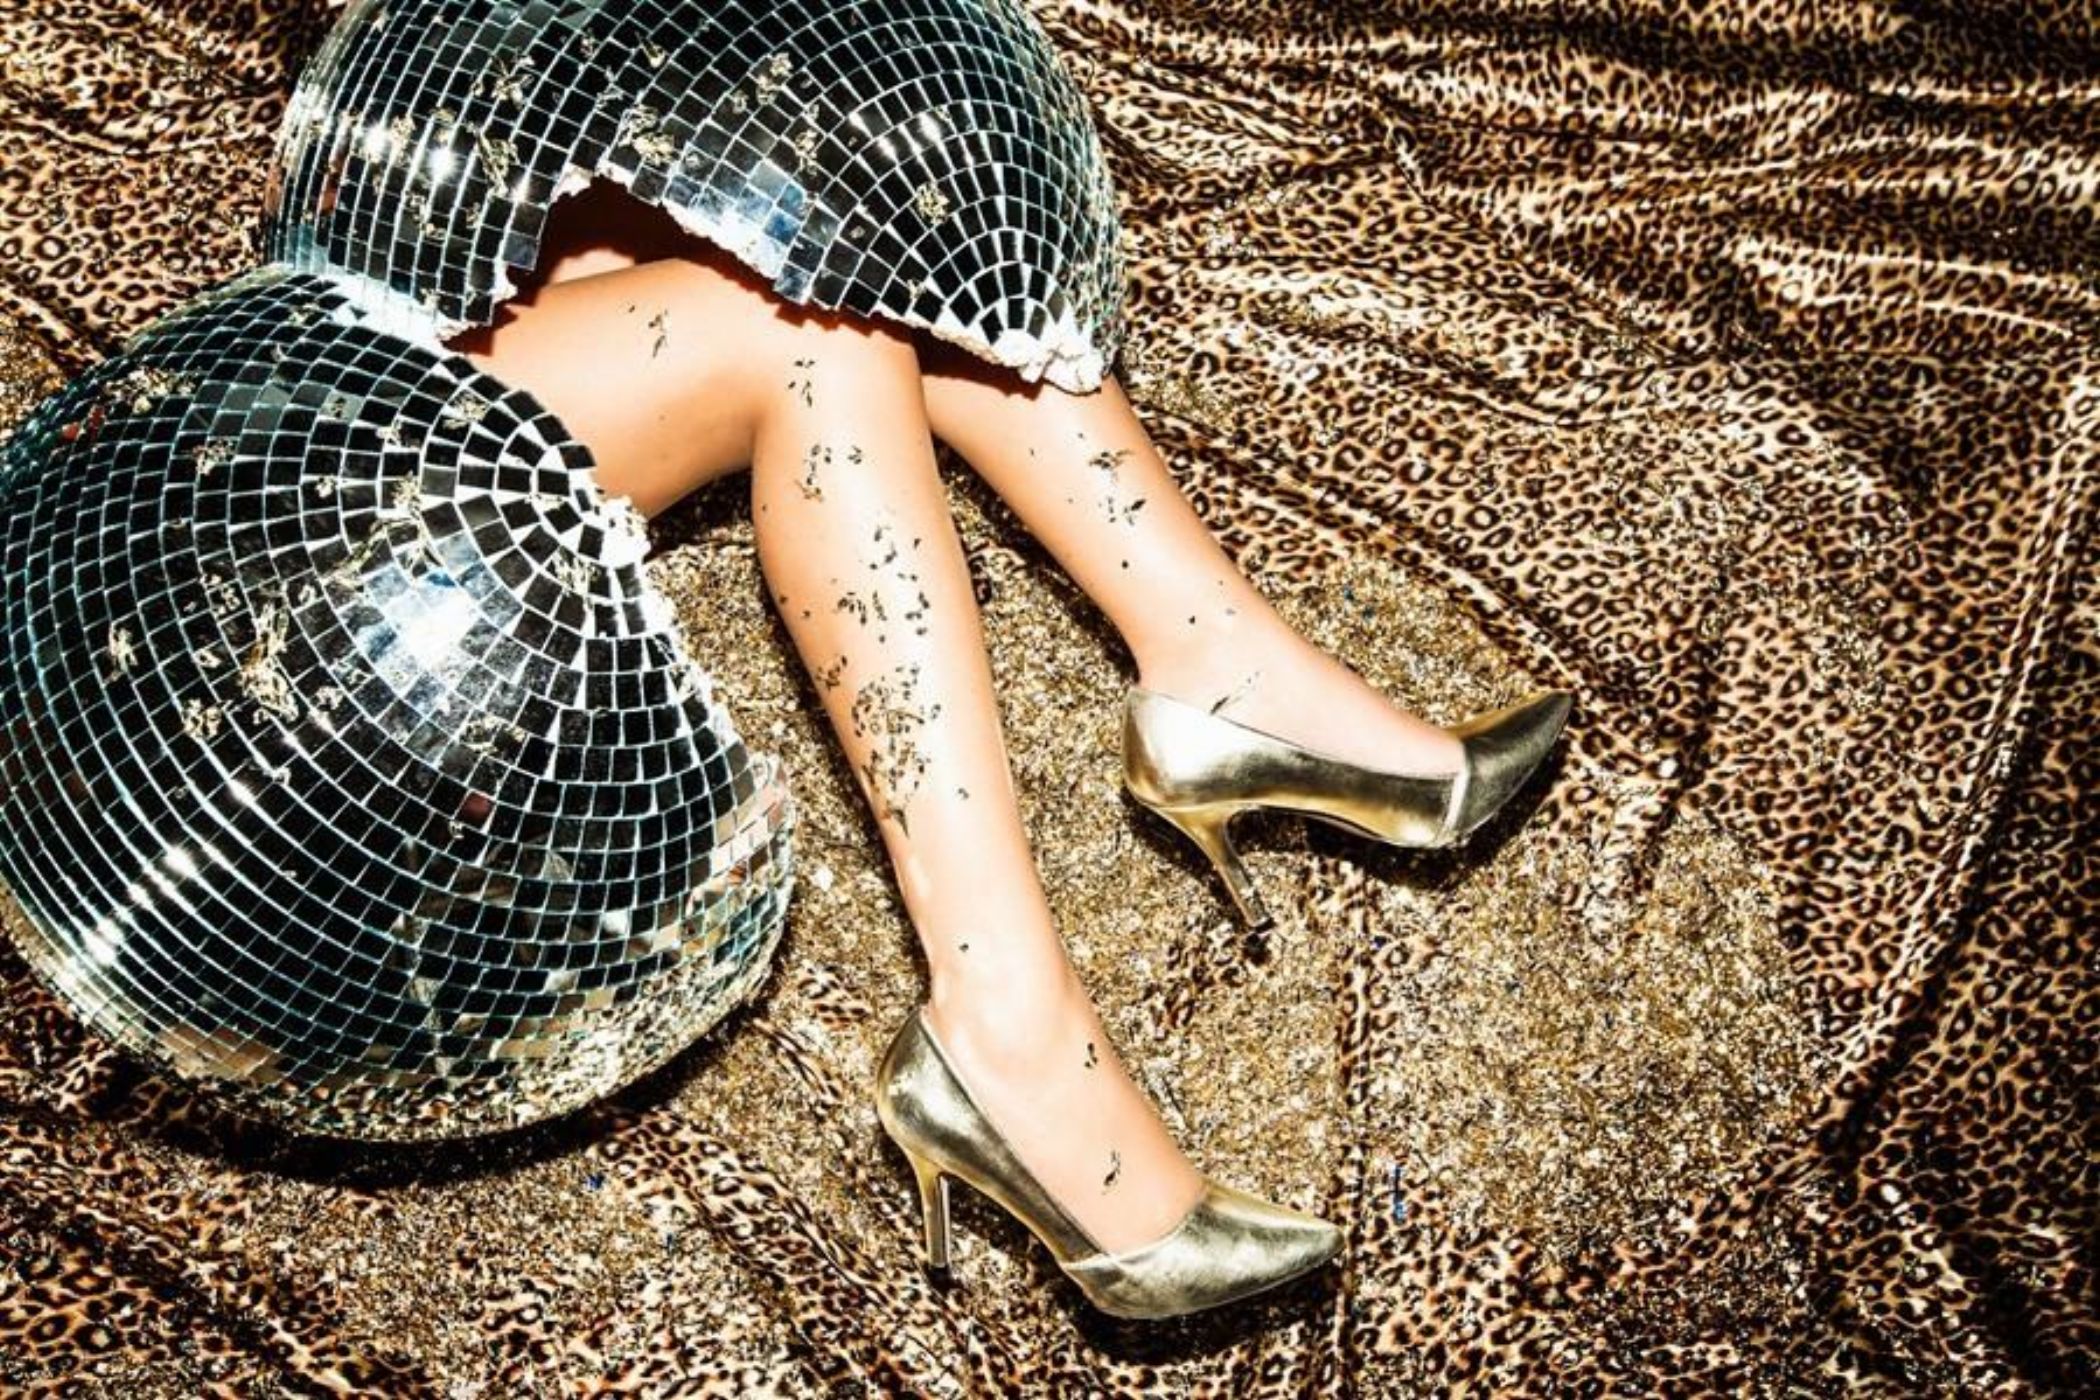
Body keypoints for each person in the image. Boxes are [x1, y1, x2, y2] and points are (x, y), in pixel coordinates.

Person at [448, 181, 1572, 1318]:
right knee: (809, 335)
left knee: (844, 224)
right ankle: (1006, 1031)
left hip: (397, 282)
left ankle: (1228, 669)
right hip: (339, 445)